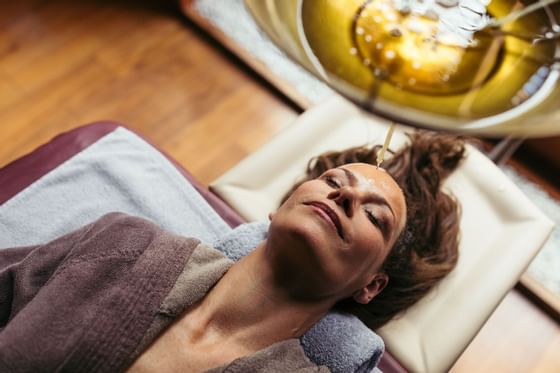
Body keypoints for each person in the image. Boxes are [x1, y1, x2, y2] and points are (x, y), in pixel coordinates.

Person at [0, 131, 465, 372]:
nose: (344, 196)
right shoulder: (123, 242)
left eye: (374, 216)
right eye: (332, 182)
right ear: (278, 211)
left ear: (371, 286)